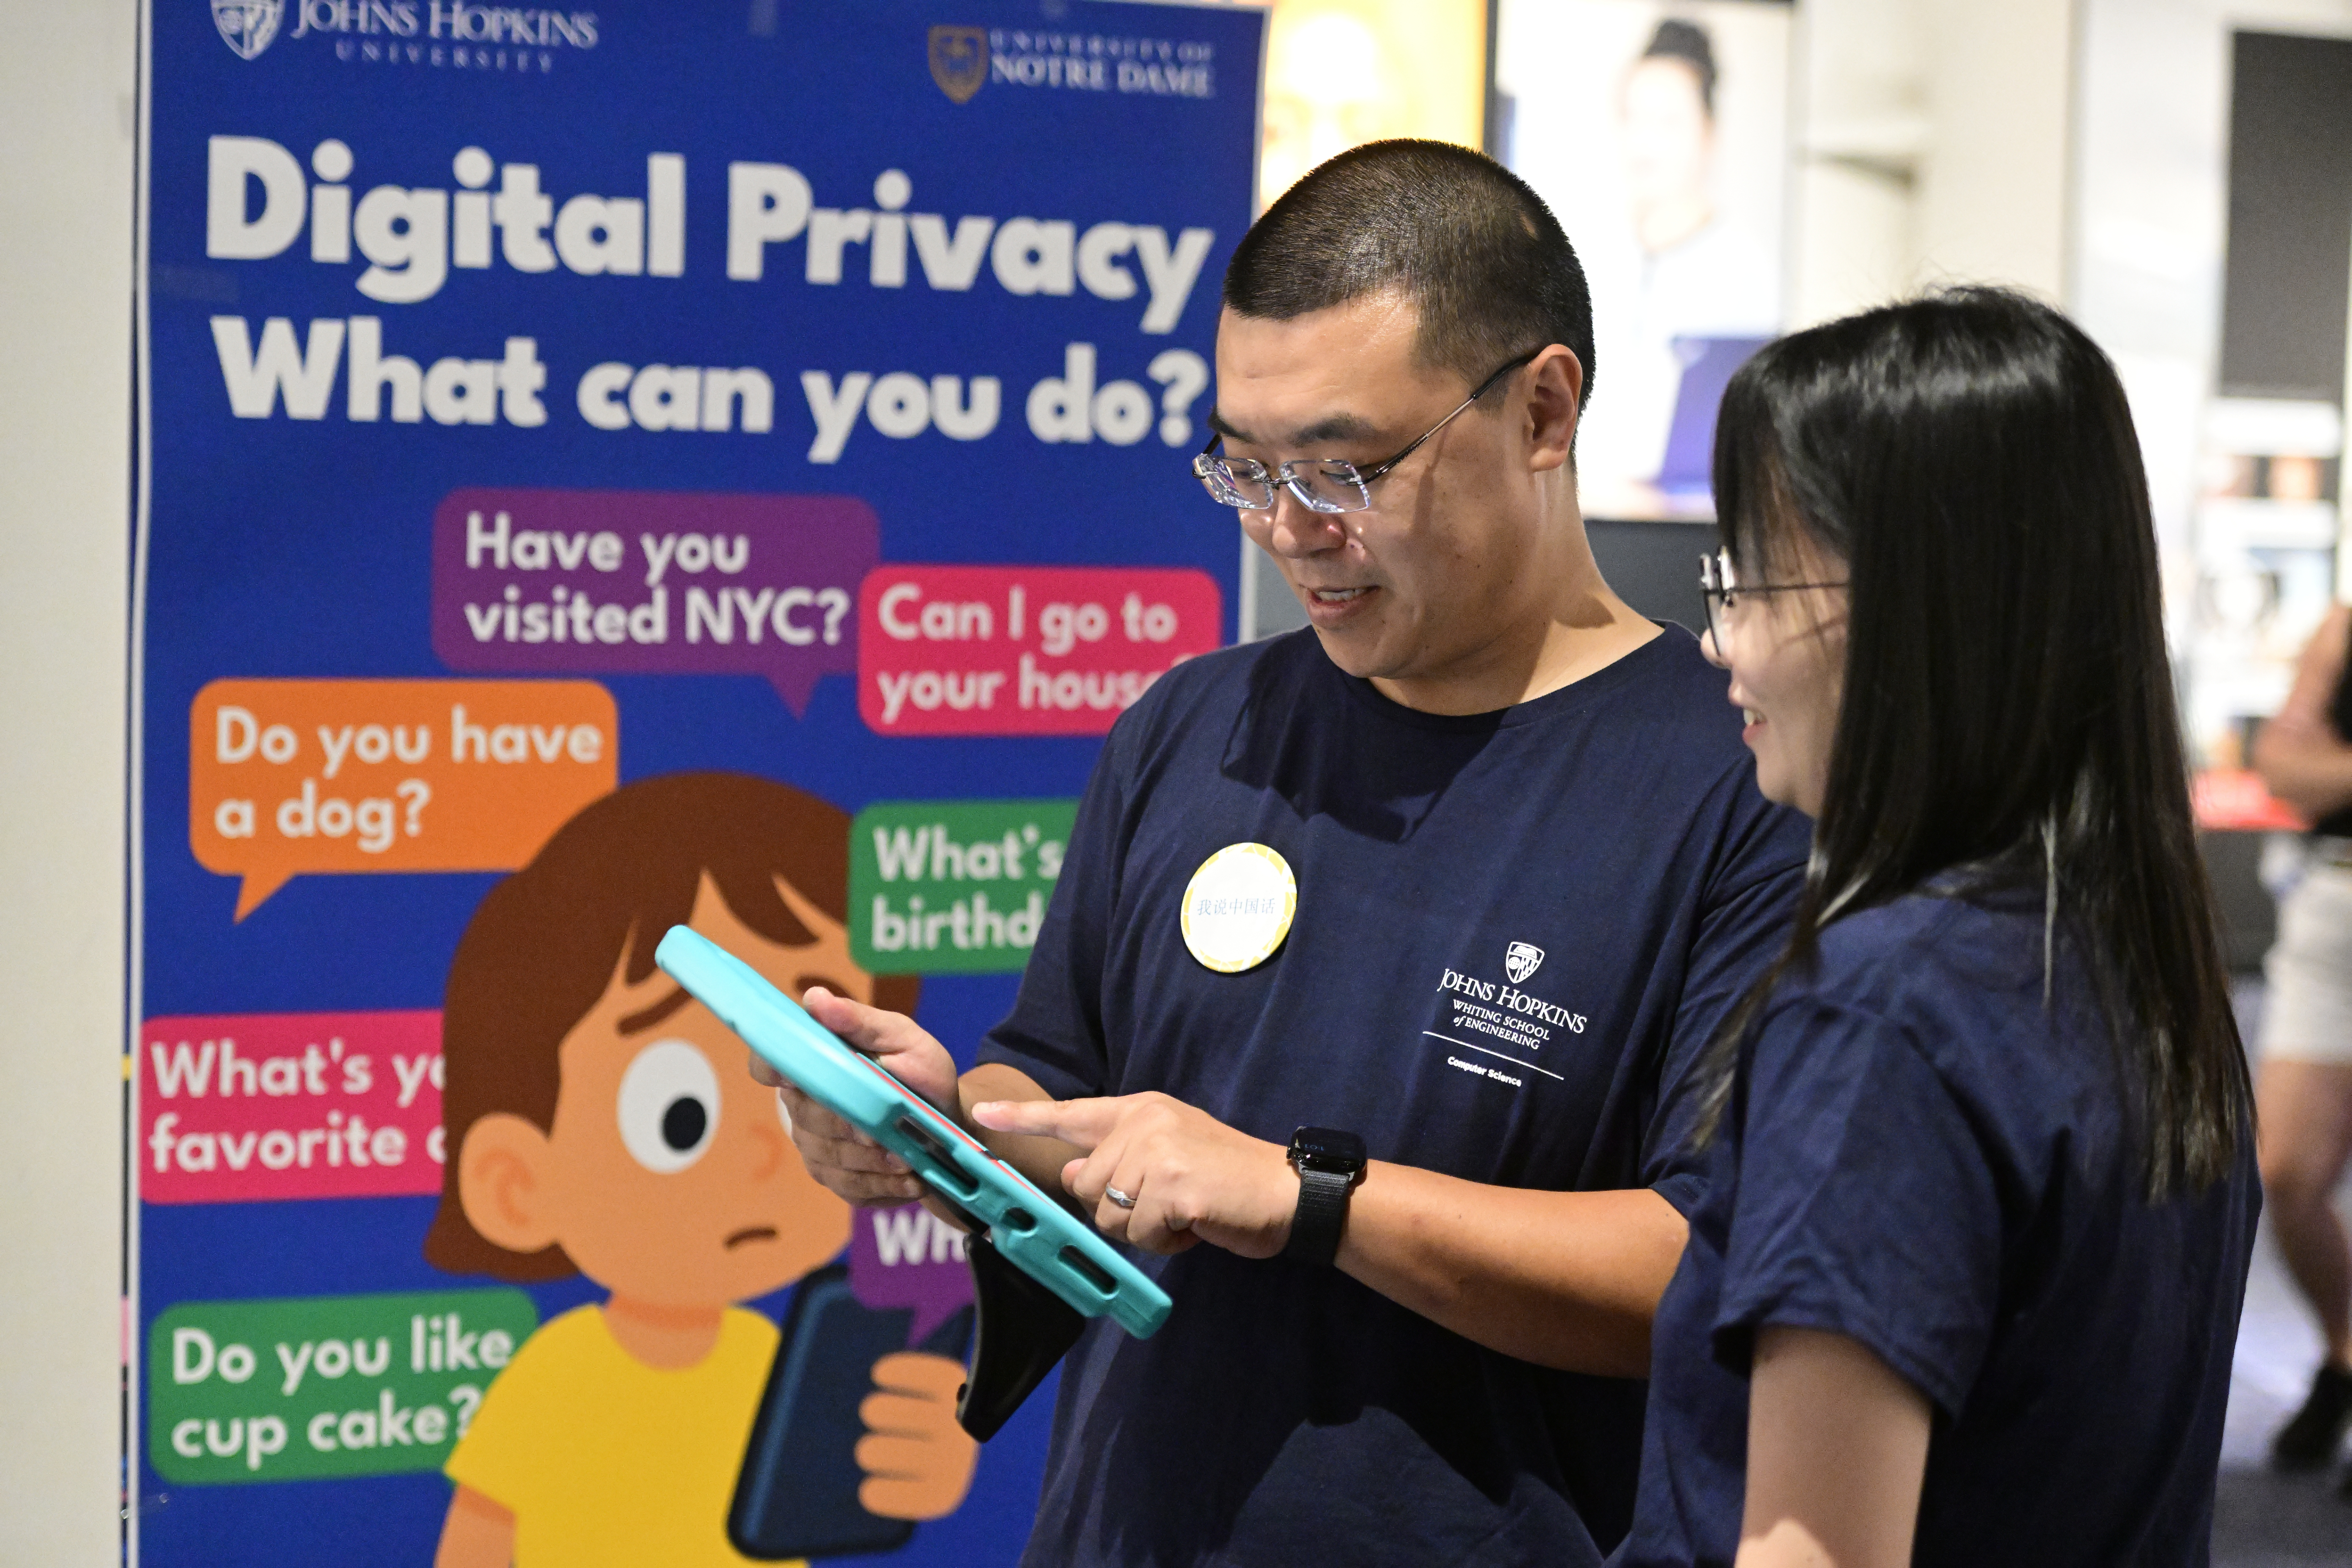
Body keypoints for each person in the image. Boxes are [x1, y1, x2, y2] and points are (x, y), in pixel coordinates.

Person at [766, 139, 1811, 1565]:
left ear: (1544, 409)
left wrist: (1312, 1200)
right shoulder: (1194, 726)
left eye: (1344, 469)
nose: (1291, 533)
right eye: (1246, 471)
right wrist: (952, 1132)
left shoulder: (1741, 780)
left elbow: (1721, 1268)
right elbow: (1061, 1082)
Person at [1613, 288, 2261, 1567]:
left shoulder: (1883, 1010)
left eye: (1750, 578)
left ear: (1912, 604)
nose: (1718, 639)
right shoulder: (2127, 967)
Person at [424, 772, 978, 1568]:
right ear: (516, 1182)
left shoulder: (774, 1366)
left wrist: (922, 1463)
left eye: (802, 1091)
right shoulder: (556, 1380)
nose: (762, 1151)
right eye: (678, 1118)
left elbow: (842, 1500)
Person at [2252, 606, 2352, 1486]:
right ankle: (2344, 1352)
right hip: (2334, 915)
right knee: (2285, 1169)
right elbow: (2284, 765)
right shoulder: (2345, 629)